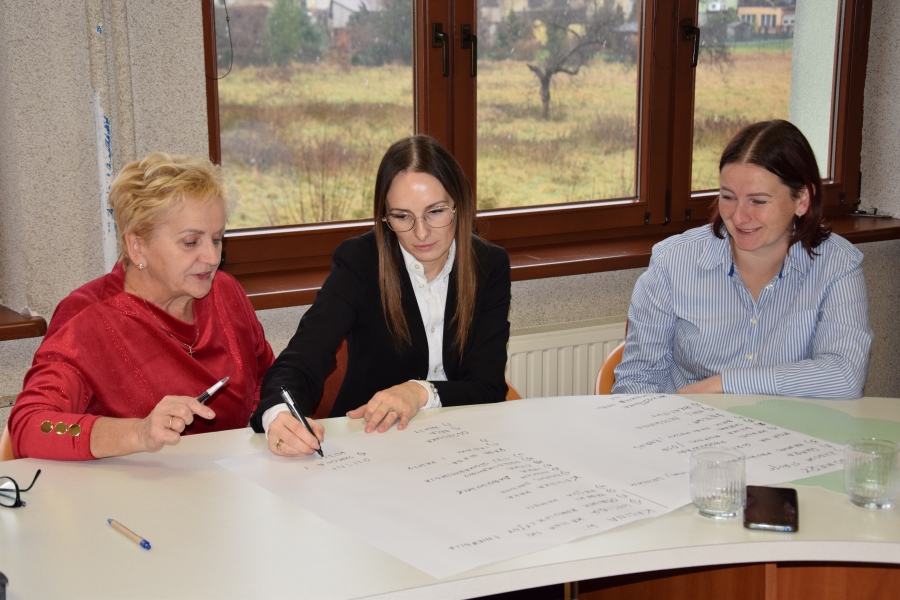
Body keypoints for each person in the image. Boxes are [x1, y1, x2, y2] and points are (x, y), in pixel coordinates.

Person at [253, 135, 512, 456]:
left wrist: (420, 392)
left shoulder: (489, 264)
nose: (421, 232)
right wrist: (279, 414)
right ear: (384, 216)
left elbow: (488, 387)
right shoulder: (360, 261)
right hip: (374, 443)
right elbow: (303, 357)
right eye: (402, 216)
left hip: (464, 441)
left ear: (460, 204)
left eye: (435, 212)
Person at [9, 153, 275, 460]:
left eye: (217, 239)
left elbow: (268, 381)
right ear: (137, 246)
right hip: (128, 485)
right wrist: (139, 432)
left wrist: (274, 419)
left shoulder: (224, 291)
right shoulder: (89, 317)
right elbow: (31, 427)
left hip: (225, 478)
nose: (212, 258)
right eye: (191, 242)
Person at [612, 120, 872, 398]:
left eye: (758, 201)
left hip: (786, 424)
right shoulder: (673, 261)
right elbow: (636, 382)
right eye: (728, 197)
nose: (738, 217)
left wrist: (724, 383)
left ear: (802, 200)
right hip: (687, 421)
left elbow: (846, 376)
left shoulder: (837, 264)